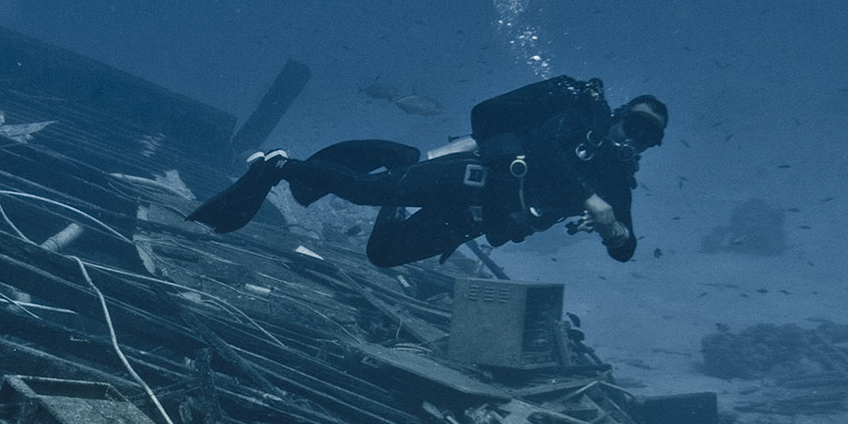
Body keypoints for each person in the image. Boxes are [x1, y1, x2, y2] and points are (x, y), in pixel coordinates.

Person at [189, 76, 666, 267]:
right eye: (635, 125)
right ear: (618, 115)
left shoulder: (616, 178)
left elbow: (626, 252)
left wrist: (615, 232)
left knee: (383, 254)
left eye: (650, 137)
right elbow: (544, 151)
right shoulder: (582, 121)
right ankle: (278, 166)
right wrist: (592, 201)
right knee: (367, 192)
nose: (637, 139)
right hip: (470, 177)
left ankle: (402, 161)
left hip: (474, 220)